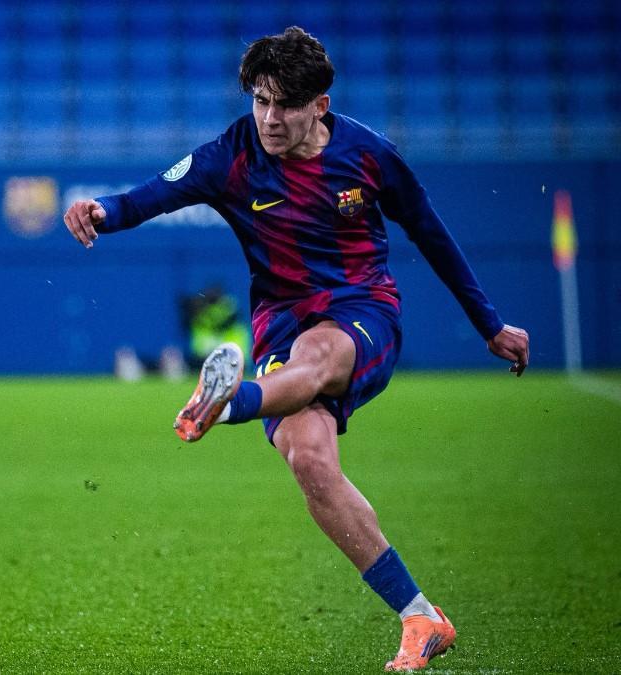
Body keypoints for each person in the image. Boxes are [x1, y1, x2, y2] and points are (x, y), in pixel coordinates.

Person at [62, 26, 529, 672]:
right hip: (278, 323)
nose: (270, 117)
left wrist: (490, 324)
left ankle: (227, 404)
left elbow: (432, 234)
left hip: (362, 313)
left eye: (285, 104)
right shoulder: (233, 155)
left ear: (321, 104)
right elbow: (150, 195)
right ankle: (421, 615)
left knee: (316, 360)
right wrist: (99, 212)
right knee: (309, 459)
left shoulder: (370, 157)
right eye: (261, 100)